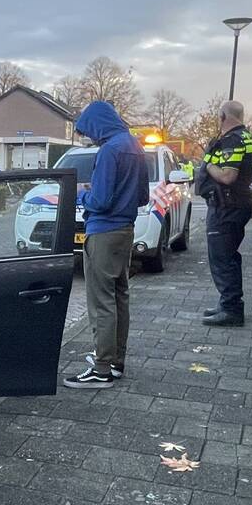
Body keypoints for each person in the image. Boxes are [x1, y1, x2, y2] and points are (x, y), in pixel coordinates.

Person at [64, 101, 149, 389]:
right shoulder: (134, 146)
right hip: (125, 230)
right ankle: (115, 361)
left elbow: (100, 201)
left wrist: (82, 195)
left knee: (101, 301)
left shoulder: (110, 150)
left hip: (103, 231)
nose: (90, 137)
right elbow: (142, 197)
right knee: (119, 296)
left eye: (88, 131)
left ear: (97, 124)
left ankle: (101, 369)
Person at [195, 100, 252, 326]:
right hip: (235, 205)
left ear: (223, 116)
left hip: (226, 207)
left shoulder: (232, 140)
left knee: (222, 258)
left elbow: (228, 176)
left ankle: (231, 310)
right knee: (229, 256)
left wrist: (208, 165)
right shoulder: (246, 138)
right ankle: (227, 303)